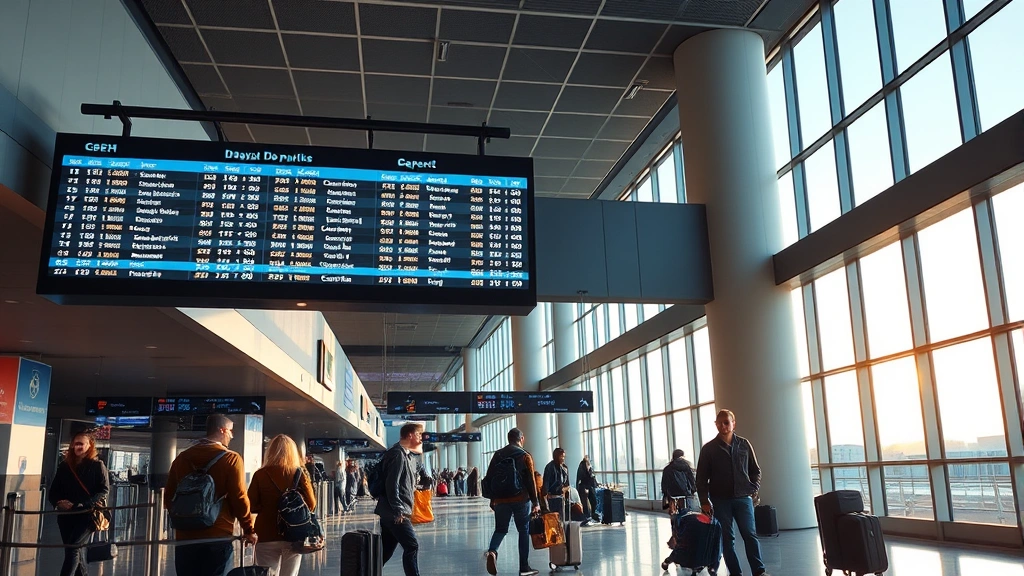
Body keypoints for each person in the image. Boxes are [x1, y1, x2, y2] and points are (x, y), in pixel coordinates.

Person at [165, 414, 256, 576]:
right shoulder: (231, 459)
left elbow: (169, 496)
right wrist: (248, 528)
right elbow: (239, 497)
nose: (231, 436)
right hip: (218, 534)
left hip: (185, 538)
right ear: (222, 430)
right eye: (230, 432)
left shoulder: (182, 458)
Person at [695, 410, 769, 576]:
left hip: (743, 499)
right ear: (715, 424)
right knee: (728, 540)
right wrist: (704, 501)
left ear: (733, 423)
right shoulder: (708, 449)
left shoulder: (744, 444)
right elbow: (701, 479)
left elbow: (755, 470)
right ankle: (735, 573)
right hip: (720, 501)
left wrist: (753, 488)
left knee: (750, 535)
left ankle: (759, 571)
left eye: (726, 422)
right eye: (719, 423)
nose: (723, 426)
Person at [247, 435, 316, 576]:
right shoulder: (299, 473)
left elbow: (251, 505)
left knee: (266, 573)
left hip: (266, 533)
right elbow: (312, 504)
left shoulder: (260, 474)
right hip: (294, 533)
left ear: (270, 451)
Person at [48, 431, 110, 576]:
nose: (78, 447)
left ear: (90, 446)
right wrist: (58, 503)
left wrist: (84, 504)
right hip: (66, 516)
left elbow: (104, 490)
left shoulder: (97, 466)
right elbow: (54, 490)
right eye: (76, 444)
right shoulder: (64, 466)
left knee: (73, 547)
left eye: (81, 444)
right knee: (73, 550)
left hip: (87, 515)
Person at [483, 428, 541, 576]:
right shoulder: (524, 455)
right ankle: (524, 567)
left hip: (501, 500)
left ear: (509, 439)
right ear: (521, 439)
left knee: (500, 529)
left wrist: (492, 499)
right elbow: (530, 481)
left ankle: (492, 551)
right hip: (520, 499)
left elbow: (489, 478)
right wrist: (536, 502)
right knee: (523, 530)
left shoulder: (498, 455)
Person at [375, 423, 425, 576]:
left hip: (392, 510)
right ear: (410, 435)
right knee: (412, 546)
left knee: (386, 550)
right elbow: (392, 483)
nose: (421, 438)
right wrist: (398, 510)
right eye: (419, 434)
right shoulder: (397, 454)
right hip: (395, 512)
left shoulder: (406, 455)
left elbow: (403, 483)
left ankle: (369, 572)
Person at [661, 449, 698, 513]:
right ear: (682, 457)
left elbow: (664, 482)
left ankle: (672, 511)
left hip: (672, 492)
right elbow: (691, 480)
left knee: (671, 499)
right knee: (684, 503)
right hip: (685, 491)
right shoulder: (687, 467)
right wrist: (693, 490)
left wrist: (664, 492)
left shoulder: (667, 468)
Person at [542, 448, 570, 518]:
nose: (563, 459)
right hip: (552, 498)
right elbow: (546, 483)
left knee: (561, 520)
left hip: (561, 498)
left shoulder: (564, 468)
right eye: (561, 456)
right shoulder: (550, 467)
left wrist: (565, 490)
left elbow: (567, 482)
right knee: (554, 519)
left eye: (564, 456)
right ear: (556, 456)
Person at [575, 455, 600, 524]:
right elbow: (582, 477)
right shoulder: (582, 465)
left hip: (590, 486)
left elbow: (592, 477)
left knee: (593, 501)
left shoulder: (589, 467)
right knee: (585, 503)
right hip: (584, 486)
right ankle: (586, 517)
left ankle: (592, 515)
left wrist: (596, 484)